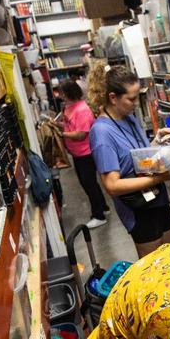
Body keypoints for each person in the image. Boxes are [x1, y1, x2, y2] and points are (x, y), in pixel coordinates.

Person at [87, 64, 170, 258]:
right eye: (131, 98)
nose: (136, 103)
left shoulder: (129, 118)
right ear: (113, 97)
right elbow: (112, 185)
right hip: (139, 210)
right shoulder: (102, 133)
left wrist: (156, 141)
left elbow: (138, 158)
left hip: (158, 200)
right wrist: (159, 179)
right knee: (154, 271)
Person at [58, 81, 108, 229]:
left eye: (63, 93)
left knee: (88, 183)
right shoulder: (70, 108)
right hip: (77, 153)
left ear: (69, 93)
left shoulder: (82, 110)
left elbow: (80, 134)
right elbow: (72, 126)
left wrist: (62, 134)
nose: (61, 96)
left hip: (86, 153)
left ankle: (99, 216)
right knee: (90, 182)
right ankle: (104, 207)